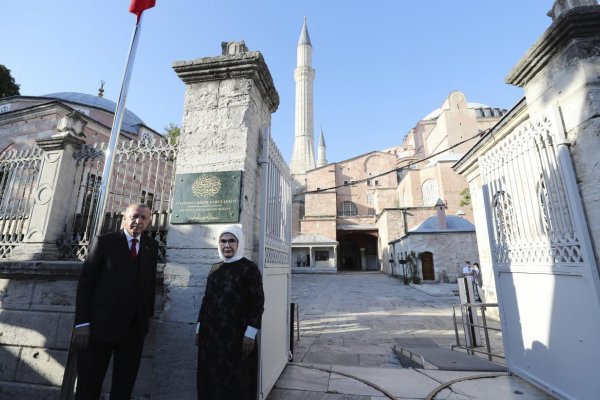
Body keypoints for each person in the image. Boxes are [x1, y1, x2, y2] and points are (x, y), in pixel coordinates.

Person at [72, 203, 158, 399]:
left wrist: (148, 317)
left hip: (134, 330)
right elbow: (86, 284)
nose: (139, 221)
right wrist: (82, 323)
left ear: (149, 222)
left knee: (124, 387)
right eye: (135, 216)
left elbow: (150, 284)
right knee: (89, 385)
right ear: (124, 218)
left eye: (144, 218)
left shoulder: (150, 246)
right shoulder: (104, 242)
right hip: (100, 327)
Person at [196, 225, 265, 400]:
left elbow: (258, 303)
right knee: (210, 379)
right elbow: (206, 301)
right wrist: (198, 328)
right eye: (223, 241)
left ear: (239, 243)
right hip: (211, 336)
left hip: (237, 336)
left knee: (236, 381)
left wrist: (250, 333)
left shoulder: (249, 268)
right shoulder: (215, 269)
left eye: (231, 241)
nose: (227, 245)